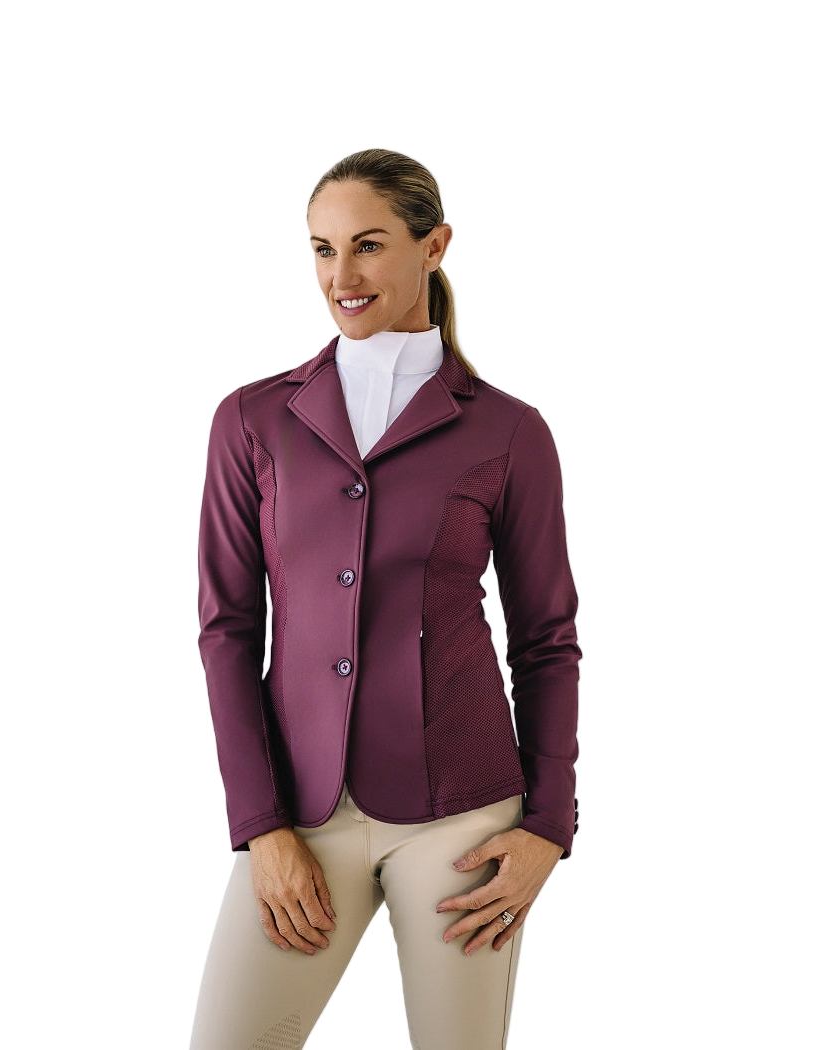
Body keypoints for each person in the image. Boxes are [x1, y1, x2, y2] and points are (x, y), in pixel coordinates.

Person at [192, 147, 582, 1049]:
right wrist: (258, 828)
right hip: (298, 813)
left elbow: (548, 640)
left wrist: (549, 827)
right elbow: (225, 631)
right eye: (321, 250)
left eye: (367, 246)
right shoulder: (251, 418)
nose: (342, 276)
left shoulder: (510, 430)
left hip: (462, 817)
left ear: (433, 246)